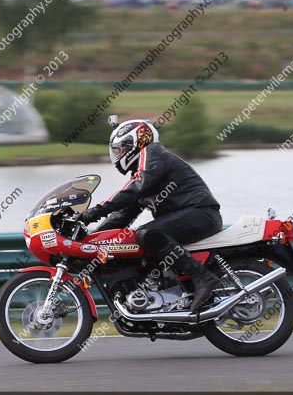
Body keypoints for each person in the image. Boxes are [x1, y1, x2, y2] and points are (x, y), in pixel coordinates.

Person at [79, 118, 223, 312]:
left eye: (121, 148)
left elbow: (136, 188)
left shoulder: (152, 153)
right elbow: (121, 217)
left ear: (137, 141)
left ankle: (203, 278)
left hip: (201, 213)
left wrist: (94, 211)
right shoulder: (144, 173)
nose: (118, 154)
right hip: (190, 216)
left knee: (146, 233)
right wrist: (90, 239)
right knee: (141, 239)